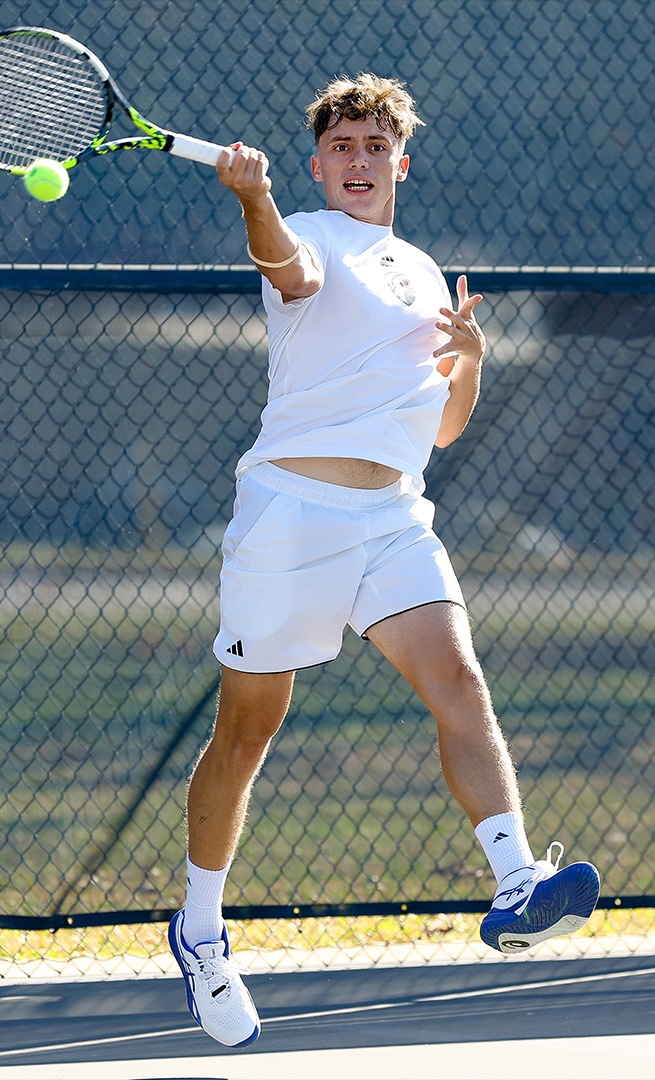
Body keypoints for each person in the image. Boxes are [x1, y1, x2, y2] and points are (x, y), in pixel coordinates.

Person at [169, 74, 600, 1048]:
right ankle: (199, 926)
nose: (359, 162)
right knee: (247, 731)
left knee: (459, 679)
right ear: (320, 165)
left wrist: (472, 360)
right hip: (292, 514)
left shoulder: (421, 266)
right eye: (344, 148)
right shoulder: (309, 234)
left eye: (375, 148)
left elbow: (443, 428)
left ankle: (515, 879)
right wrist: (253, 196)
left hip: (394, 519)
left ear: (399, 163)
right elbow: (285, 270)